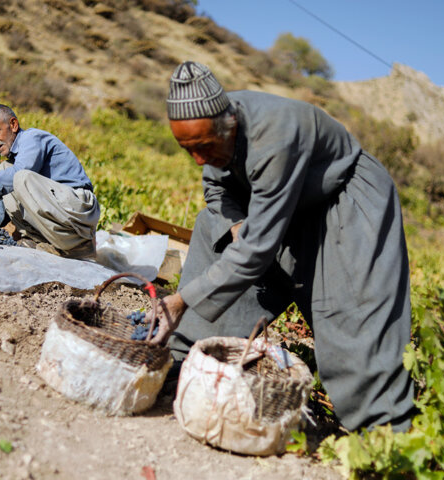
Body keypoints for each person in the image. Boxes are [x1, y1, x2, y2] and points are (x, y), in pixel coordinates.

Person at [148, 61, 415, 433]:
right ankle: (186, 359)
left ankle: (386, 435)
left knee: (351, 315)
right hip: (287, 203)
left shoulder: (274, 135)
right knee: (214, 226)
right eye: (187, 148)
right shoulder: (212, 124)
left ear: (230, 124)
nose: (197, 159)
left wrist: (180, 300)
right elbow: (216, 188)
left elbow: (257, 249)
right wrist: (237, 224)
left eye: (204, 146)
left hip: (342, 204)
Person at [0, 104, 100, 259]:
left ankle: (80, 247)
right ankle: (47, 242)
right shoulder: (13, 161)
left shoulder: (32, 138)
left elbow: (17, 176)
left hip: (78, 207)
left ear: (13, 125)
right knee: (4, 170)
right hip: (61, 210)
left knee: (19, 177)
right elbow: (4, 199)